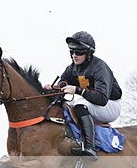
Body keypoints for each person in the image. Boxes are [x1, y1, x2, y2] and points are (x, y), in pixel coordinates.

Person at [46, 31, 122, 160]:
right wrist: (51, 90)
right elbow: (61, 88)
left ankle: (89, 147)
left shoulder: (99, 67)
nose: (74, 56)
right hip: (93, 102)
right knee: (65, 106)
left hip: (110, 105)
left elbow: (102, 99)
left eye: (79, 52)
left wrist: (77, 90)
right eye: (72, 52)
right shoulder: (72, 68)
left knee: (79, 104)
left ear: (88, 53)